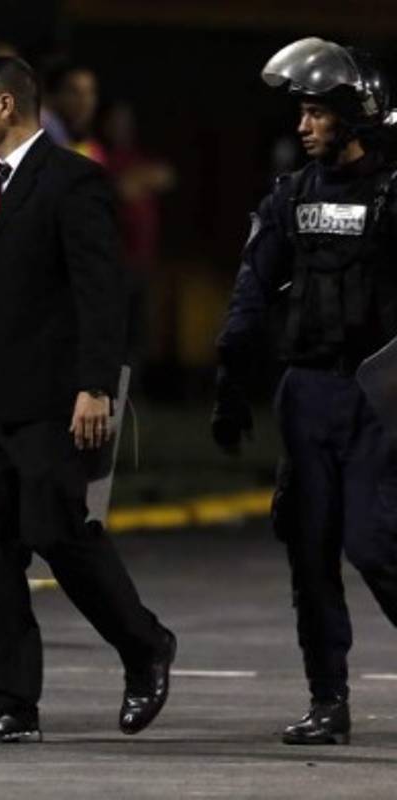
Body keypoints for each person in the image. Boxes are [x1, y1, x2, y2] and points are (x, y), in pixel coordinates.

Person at [0, 57, 175, 744]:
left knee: (55, 531)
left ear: (7, 105)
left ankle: (144, 643)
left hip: (52, 397)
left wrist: (95, 386)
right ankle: (10, 704)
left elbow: (101, 291)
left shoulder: (74, 180)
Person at [213, 37, 397, 746]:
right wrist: (230, 381)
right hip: (308, 393)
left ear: (353, 115)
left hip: (377, 396)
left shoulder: (392, 194)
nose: (303, 124)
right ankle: (328, 701)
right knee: (309, 553)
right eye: (303, 112)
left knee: (375, 543)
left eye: (317, 112)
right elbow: (252, 290)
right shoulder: (290, 195)